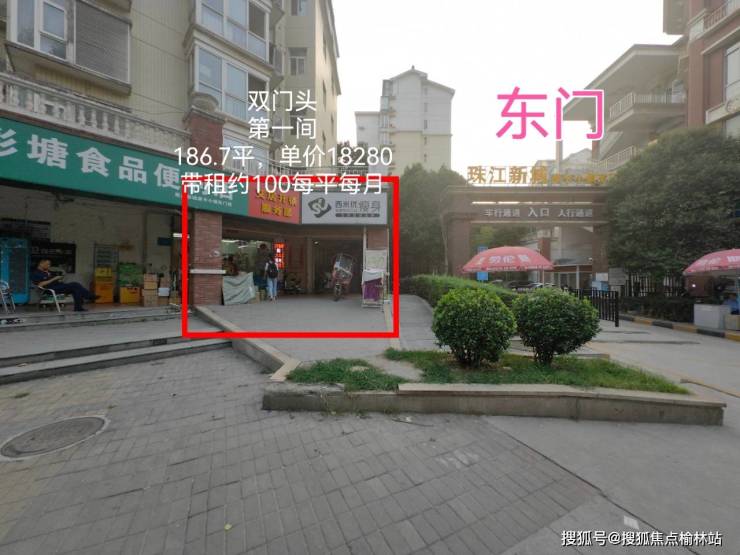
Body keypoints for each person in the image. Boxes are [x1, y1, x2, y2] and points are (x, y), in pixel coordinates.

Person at [30, 259, 98, 312]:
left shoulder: (48, 272)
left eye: (49, 264)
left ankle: (78, 307)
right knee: (75, 284)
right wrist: (53, 279)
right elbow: (40, 285)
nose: (49, 266)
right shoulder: (36, 273)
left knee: (76, 289)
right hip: (49, 289)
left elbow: (55, 280)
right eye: (47, 264)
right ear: (41, 264)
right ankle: (88, 296)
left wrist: (59, 278)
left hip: (58, 286)